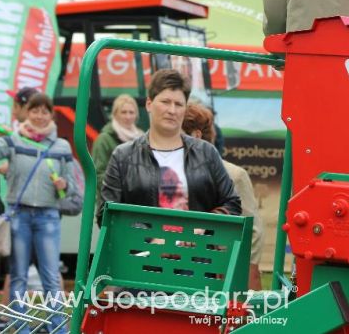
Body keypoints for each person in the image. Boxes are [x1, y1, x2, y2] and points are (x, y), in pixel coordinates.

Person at [99, 69, 240, 223]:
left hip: (197, 246)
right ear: (149, 104)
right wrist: (149, 236)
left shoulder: (206, 152)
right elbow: (105, 215)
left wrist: (201, 228)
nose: (172, 110)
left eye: (178, 104)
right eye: (165, 102)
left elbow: (232, 204)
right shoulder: (123, 156)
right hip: (142, 247)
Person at [0, 93, 73, 332]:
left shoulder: (61, 146)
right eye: (34, 111)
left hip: (48, 217)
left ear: (51, 115)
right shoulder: (14, 140)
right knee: (18, 274)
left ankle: (58, 328)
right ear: (26, 113)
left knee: (51, 277)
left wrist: (64, 185)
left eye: (44, 111)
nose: (39, 116)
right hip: (19, 215)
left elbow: (72, 182)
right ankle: (21, 327)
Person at [182, 102, 264, 290]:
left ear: (196, 135)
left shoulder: (233, 175)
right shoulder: (165, 170)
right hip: (187, 273)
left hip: (209, 276)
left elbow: (252, 234)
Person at [92, 94, 143, 202]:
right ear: (115, 114)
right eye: (123, 112)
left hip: (138, 205)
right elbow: (98, 175)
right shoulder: (103, 139)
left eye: (131, 112)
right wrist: (126, 188)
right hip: (111, 205)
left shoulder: (143, 139)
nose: (128, 117)